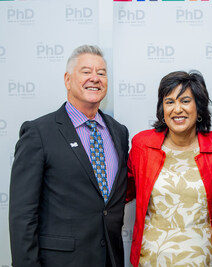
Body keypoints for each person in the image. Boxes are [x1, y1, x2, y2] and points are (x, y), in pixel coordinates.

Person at [9, 45, 129, 267]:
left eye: (101, 73)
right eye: (86, 71)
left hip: (110, 259)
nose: (95, 78)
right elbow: (23, 216)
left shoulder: (119, 132)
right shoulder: (39, 133)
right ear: (67, 80)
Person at [126, 71, 212, 266]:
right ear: (162, 108)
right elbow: (123, 192)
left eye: (185, 101)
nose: (177, 109)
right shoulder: (142, 145)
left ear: (199, 107)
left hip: (204, 261)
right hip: (152, 260)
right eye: (169, 102)